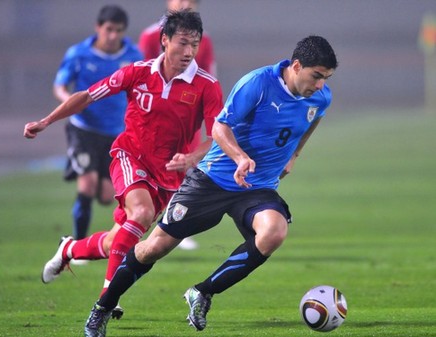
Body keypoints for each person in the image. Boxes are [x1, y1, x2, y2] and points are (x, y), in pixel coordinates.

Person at [81, 35, 338, 337]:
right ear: (296, 66)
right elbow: (219, 127)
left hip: (257, 187)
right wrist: (240, 158)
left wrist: (294, 154)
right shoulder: (256, 84)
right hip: (213, 180)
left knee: (274, 232)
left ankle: (203, 292)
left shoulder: (321, 97)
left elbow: (312, 120)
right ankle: (102, 308)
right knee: (154, 248)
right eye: (316, 76)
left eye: (326, 78)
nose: (321, 84)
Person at [23, 8, 223, 326]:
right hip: (130, 157)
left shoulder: (206, 86)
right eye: (182, 43)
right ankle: (106, 300)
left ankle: (70, 248)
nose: (188, 52)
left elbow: (217, 136)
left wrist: (192, 157)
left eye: (194, 44)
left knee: (120, 239)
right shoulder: (137, 73)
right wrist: (46, 121)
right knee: (141, 215)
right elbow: (87, 96)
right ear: (164, 40)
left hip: (170, 175)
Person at [53, 5, 143, 240]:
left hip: (116, 133)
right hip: (83, 129)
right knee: (87, 185)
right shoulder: (78, 53)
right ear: (98, 28)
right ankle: (76, 246)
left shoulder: (134, 56)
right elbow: (60, 86)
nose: (113, 36)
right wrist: (69, 101)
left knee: (106, 196)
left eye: (119, 31)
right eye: (109, 29)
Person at [139, 0, 217, 250]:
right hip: (153, 115)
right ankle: (137, 223)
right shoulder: (151, 35)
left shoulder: (204, 41)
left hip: (188, 112)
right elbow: (141, 72)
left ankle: (173, 225)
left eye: (191, 1)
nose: (185, 3)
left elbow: (208, 73)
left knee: (186, 166)